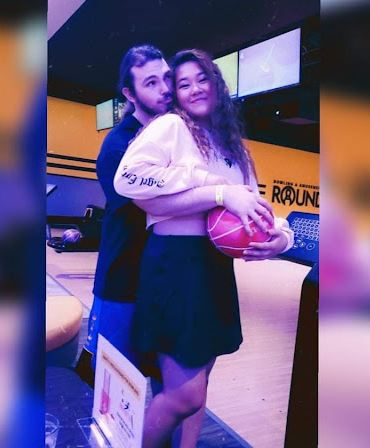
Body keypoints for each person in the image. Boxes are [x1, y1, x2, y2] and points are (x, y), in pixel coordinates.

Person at [113, 48, 295, 447]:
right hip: (175, 266)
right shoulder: (171, 127)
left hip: (214, 268)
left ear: (217, 84)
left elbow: (256, 204)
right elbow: (127, 179)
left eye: (202, 79)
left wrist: (281, 238)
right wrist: (214, 188)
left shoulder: (233, 146)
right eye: (183, 84)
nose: (195, 89)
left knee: (202, 379)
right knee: (186, 395)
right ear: (176, 95)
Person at [74, 44, 174, 386]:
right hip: (123, 282)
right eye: (151, 83)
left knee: (159, 381)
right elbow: (158, 204)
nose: (165, 89)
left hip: (163, 282)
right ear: (130, 94)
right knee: (111, 384)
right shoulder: (118, 146)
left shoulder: (175, 138)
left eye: (167, 78)